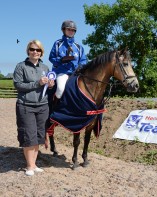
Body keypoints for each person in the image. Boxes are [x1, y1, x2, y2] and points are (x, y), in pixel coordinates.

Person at [13, 40, 55, 176]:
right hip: (26, 106)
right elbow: (18, 85)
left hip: (42, 106)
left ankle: (34, 164)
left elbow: (47, 87)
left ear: (41, 52)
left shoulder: (45, 67)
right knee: (29, 136)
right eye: (32, 49)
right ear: (28, 51)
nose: (35, 52)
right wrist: (37, 83)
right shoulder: (21, 67)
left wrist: (50, 85)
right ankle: (30, 166)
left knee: (38, 136)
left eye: (38, 50)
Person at [48, 20, 87, 99]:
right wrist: (60, 60)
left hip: (76, 73)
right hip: (62, 72)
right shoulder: (57, 43)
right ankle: (55, 106)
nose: (71, 31)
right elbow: (51, 58)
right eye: (68, 29)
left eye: (73, 30)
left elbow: (83, 60)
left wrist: (80, 67)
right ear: (63, 30)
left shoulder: (79, 47)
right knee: (60, 89)